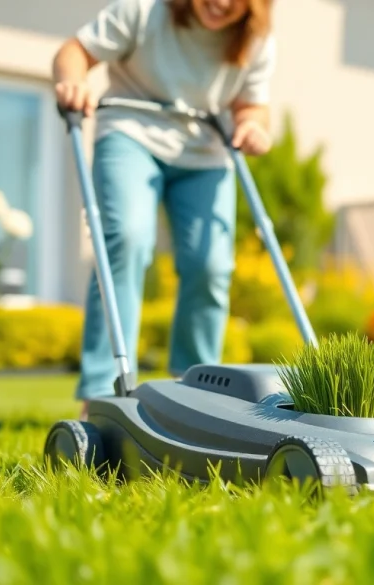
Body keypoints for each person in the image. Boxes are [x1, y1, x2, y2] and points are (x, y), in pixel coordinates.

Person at [51, 0, 276, 420]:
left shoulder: (255, 39)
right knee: (127, 239)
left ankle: (198, 392)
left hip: (205, 150)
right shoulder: (142, 10)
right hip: (130, 133)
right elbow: (73, 53)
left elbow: (252, 104)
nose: (223, 4)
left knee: (210, 264)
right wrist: (73, 82)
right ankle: (103, 394)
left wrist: (253, 125)